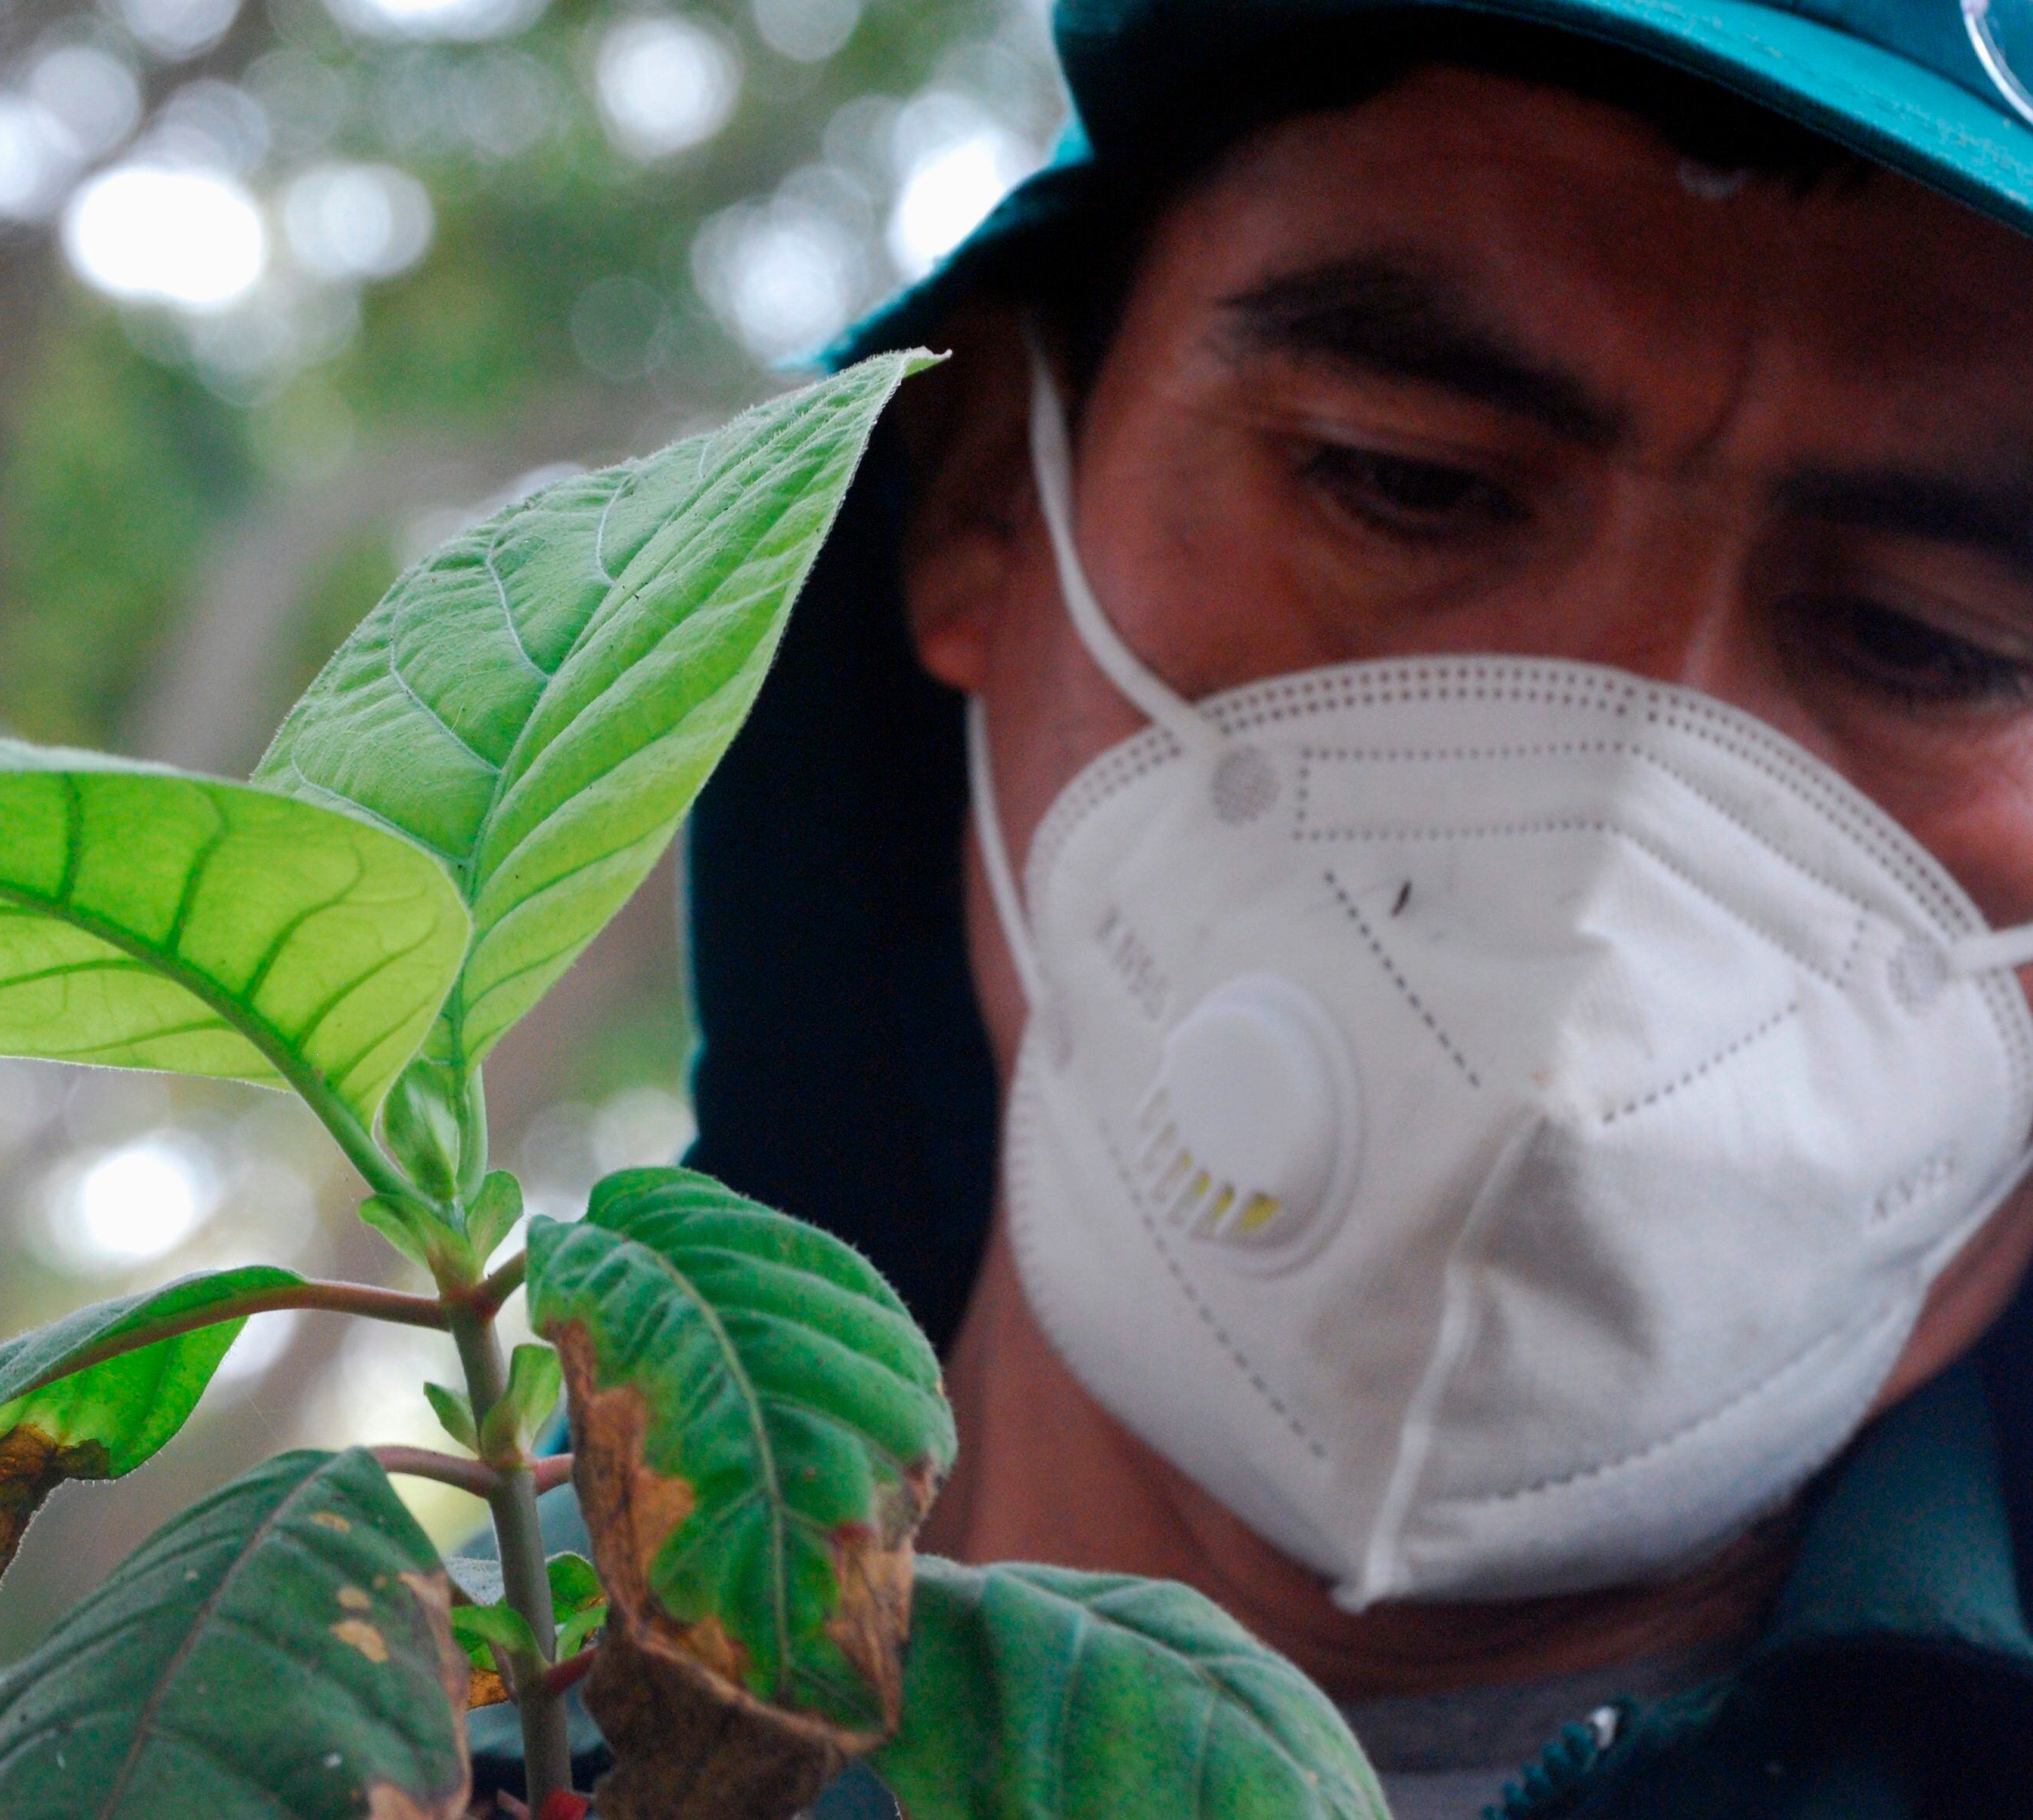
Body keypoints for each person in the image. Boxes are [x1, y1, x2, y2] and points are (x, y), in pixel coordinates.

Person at [676, 1, 2033, 1813]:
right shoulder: (383, 1711)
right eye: (1403, 480)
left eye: (1931, 640)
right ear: (993, 482)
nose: (1598, 870)